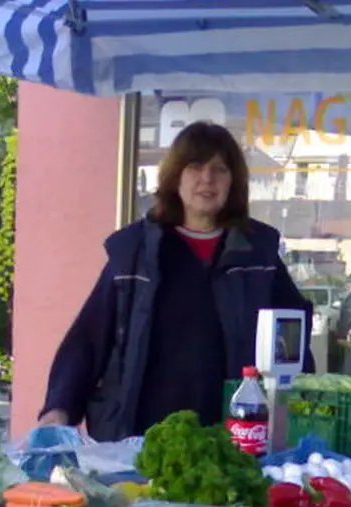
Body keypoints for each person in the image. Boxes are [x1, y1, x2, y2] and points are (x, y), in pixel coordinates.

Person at [37, 122, 315, 441]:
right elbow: (88, 338)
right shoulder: (135, 253)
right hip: (139, 435)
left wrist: (303, 412)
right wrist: (59, 407)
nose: (207, 179)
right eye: (194, 167)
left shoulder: (259, 255)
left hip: (231, 438)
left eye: (219, 169)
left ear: (232, 182)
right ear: (175, 177)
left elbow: (293, 342)